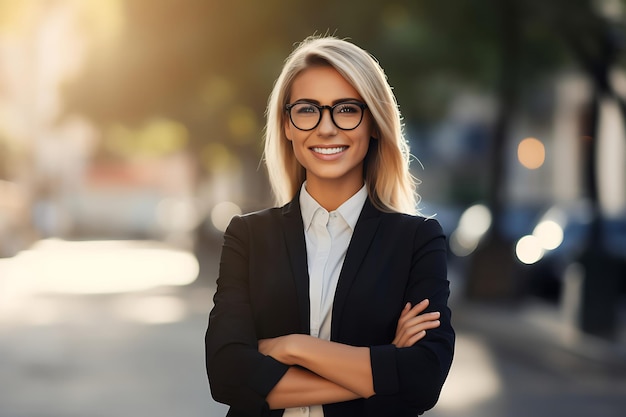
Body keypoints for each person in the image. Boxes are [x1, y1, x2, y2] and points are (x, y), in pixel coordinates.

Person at [205, 35, 454, 417]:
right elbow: (227, 375)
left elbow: (422, 380)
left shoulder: (417, 240)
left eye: (347, 109)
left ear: (373, 123)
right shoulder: (248, 237)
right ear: (287, 125)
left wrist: (290, 347)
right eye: (308, 110)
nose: (326, 128)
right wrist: (381, 372)